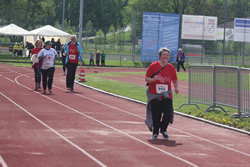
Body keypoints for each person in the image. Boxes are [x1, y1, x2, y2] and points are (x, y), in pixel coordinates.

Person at [145, 47, 179, 139]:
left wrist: (176, 88)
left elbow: (175, 80)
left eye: (167, 55)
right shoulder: (153, 66)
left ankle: (163, 129)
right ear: (159, 56)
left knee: (168, 113)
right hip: (154, 95)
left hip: (166, 94)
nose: (165, 56)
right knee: (157, 114)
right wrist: (153, 80)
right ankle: (155, 132)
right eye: (163, 54)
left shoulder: (171, 68)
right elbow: (147, 78)